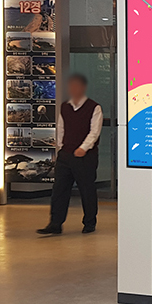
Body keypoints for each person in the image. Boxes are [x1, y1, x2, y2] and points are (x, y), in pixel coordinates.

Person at [38, 74, 102, 235]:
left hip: (85, 156)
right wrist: (60, 147)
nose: (73, 89)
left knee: (87, 189)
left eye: (76, 86)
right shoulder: (64, 107)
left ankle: (89, 222)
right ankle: (55, 223)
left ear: (83, 88)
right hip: (65, 155)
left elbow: (94, 132)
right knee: (59, 189)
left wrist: (83, 148)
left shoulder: (94, 107)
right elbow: (61, 128)